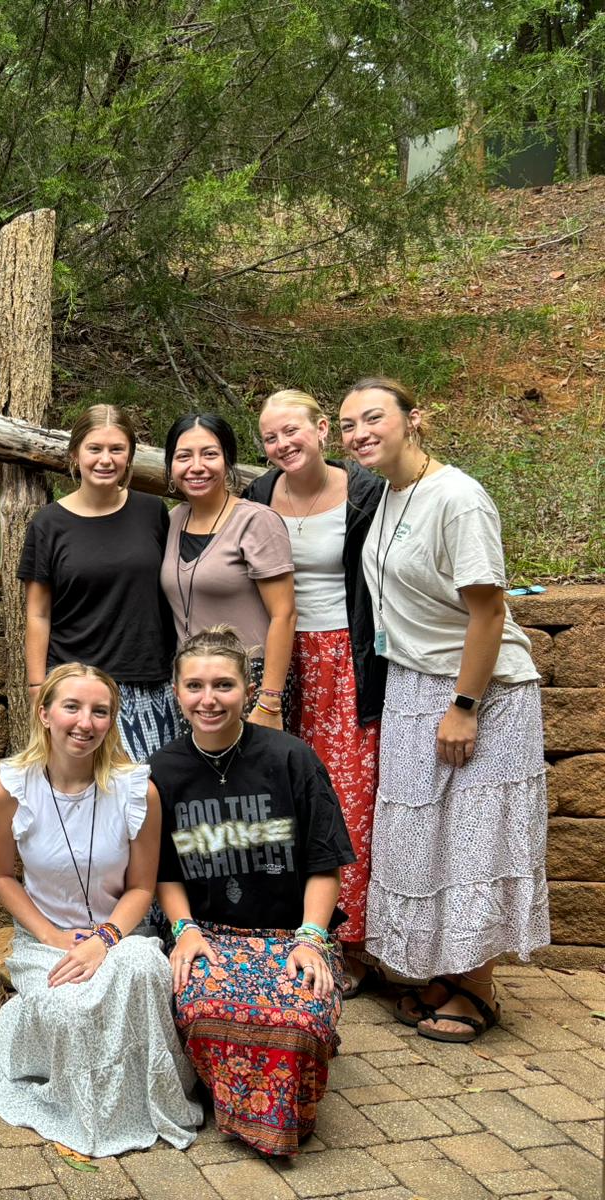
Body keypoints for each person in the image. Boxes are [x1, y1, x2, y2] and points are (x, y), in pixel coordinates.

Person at [338, 376, 547, 1043]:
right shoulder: (389, 494)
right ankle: (449, 973)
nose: (360, 433)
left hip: (477, 688)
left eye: (373, 418)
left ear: (413, 419)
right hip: (412, 683)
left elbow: (489, 611)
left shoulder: (458, 497)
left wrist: (464, 704)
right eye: (348, 425)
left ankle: (478, 988)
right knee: (424, 837)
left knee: (473, 838)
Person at [0, 663, 201, 1156]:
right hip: (47, 940)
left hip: (120, 934)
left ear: (111, 720)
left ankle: (150, 1100)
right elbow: (1, 876)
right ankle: (79, 1097)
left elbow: (141, 886)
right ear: (45, 713)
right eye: (72, 707)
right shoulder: (10, 790)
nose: (85, 722)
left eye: (100, 711)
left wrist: (105, 939)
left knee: (145, 969)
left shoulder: (137, 791)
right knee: (72, 1010)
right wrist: (52, 936)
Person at [152, 626, 355, 1158]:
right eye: (195, 686)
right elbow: (163, 870)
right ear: (176, 692)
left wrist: (311, 938)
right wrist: (184, 929)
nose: (209, 699)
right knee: (205, 1008)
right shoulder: (161, 771)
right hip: (208, 932)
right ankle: (236, 1106)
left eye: (223, 685)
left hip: (291, 932)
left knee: (300, 1019)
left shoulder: (292, 759)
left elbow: (324, 862)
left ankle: (283, 1113)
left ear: (247, 689)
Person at [246, 390, 386, 996]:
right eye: (270, 437)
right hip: (279, 661)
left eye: (292, 431)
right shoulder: (257, 496)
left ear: (322, 428)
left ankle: (347, 940)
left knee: (347, 797)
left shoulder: (365, 492)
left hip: (345, 659)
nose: (283, 445)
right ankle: (287, 926)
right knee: (281, 799)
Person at [19, 405, 176, 760]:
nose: (106, 459)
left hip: (149, 682)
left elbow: (171, 592)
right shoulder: (48, 524)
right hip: (77, 687)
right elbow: (38, 613)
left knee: (148, 788)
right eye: (95, 449)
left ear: (130, 456)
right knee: (81, 787)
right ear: (75, 454)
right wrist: (37, 686)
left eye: (116, 449)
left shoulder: (152, 512)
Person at [159, 412, 296, 727]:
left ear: (228, 460)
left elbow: (284, 614)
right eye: (184, 456)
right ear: (170, 466)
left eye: (209, 454)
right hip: (191, 680)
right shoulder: (174, 519)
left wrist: (269, 700)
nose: (196, 466)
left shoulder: (257, 521)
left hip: (247, 679)